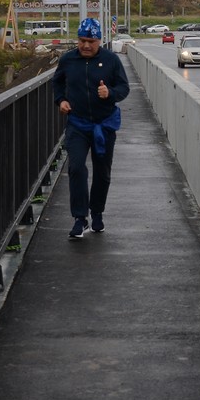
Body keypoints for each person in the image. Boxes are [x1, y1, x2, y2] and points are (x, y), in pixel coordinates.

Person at [52, 17, 130, 240]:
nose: (86, 46)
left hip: (104, 126)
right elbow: (57, 82)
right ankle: (80, 218)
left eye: (91, 41)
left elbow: (124, 87)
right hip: (77, 124)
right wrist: (61, 101)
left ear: (99, 40)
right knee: (76, 168)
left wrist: (110, 94)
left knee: (102, 173)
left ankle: (97, 213)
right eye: (82, 40)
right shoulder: (68, 60)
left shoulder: (111, 60)